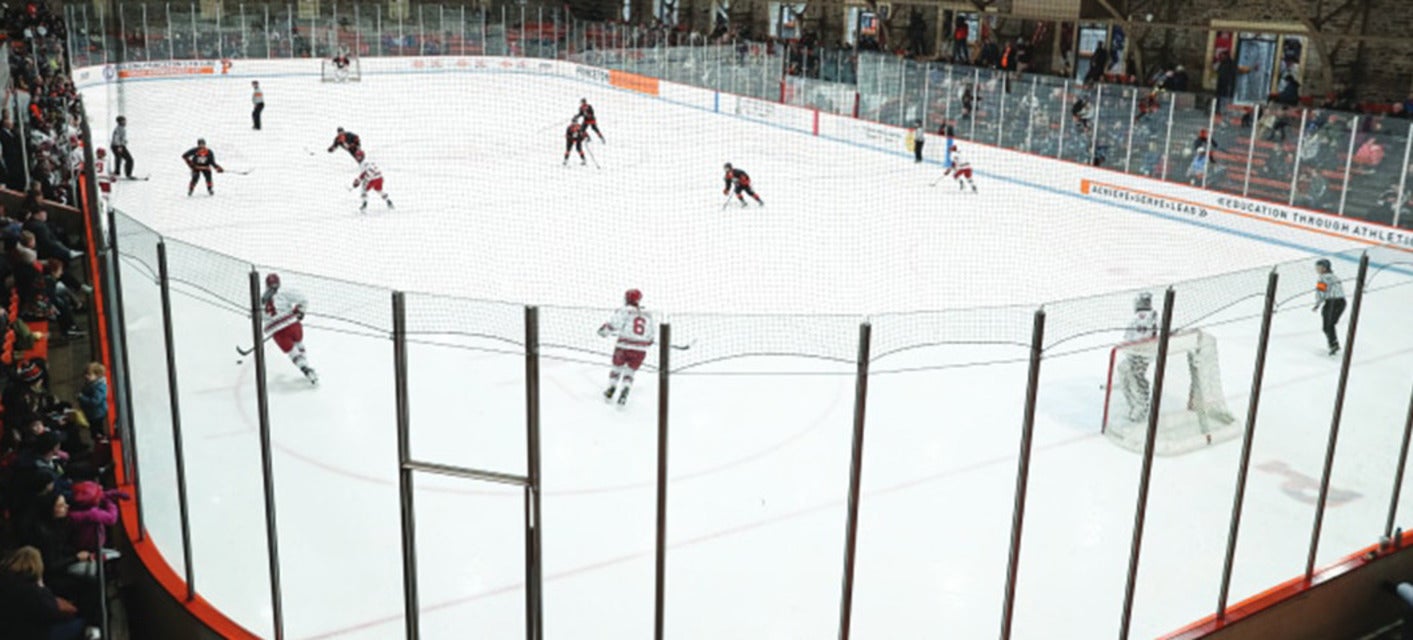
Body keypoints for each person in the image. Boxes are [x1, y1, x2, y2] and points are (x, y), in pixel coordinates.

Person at [0, 546, 91, 640]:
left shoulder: (5, 582)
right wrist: (42, 587)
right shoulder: (35, 593)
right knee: (81, 623)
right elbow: (53, 613)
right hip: (31, 634)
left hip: (6, 632)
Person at [597, 288, 656, 406]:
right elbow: (651, 335)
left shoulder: (625, 310)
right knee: (630, 372)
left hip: (623, 347)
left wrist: (604, 331)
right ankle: (625, 389)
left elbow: (614, 324)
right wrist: (648, 341)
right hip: (640, 350)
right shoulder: (647, 314)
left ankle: (612, 387)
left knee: (616, 368)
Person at [261, 273, 318, 384]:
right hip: (292, 325)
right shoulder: (284, 291)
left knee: (292, 352)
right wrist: (300, 311)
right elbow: (303, 299)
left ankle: (305, 369)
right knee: (298, 343)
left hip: (277, 332)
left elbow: (255, 314)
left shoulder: (262, 299)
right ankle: (307, 366)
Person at [1118, 292, 1159, 422]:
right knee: (1123, 370)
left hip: (1139, 354)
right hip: (1139, 353)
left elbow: (1133, 336)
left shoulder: (1142, 317)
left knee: (1135, 377)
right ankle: (1135, 404)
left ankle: (1140, 407)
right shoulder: (1151, 316)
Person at [1313, 258, 1346, 356]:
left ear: (1324, 268)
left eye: (1319, 267)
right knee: (1331, 324)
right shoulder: (1335, 277)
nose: (1317, 269)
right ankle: (1333, 343)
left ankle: (1333, 344)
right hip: (1342, 302)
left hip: (1332, 303)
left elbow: (1320, 292)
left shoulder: (1322, 278)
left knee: (1327, 326)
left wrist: (1317, 304)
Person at [76, 362, 107, 430]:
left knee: (97, 432)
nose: (86, 376)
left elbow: (95, 401)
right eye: (85, 374)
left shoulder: (98, 387)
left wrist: (82, 398)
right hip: (91, 414)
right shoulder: (90, 384)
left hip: (97, 415)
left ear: (97, 375)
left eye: (89, 374)